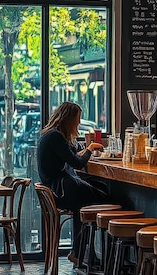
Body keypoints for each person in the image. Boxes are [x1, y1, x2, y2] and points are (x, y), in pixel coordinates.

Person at [37, 101, 109, 263]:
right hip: (62, 190)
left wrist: (86, 149)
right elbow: (77, 163)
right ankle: (87, 253)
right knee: (107, 197)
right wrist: (90, 149)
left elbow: (73, 154)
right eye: (77, 118)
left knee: (92, 197)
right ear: (68, 119)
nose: (79, 122)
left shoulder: (52, 135)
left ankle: (80, 252)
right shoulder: (55, 136)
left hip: (58, 190)